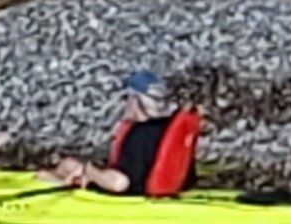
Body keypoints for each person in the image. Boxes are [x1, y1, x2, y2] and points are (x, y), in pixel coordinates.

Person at [46, 70, 202, 197]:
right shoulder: (167, 128)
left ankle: (39, 181)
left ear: (134, 100)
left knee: (69, 164)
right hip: (167, 191)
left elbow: (120, 183)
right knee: (73, 166)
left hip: (129, 198)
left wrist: (89, 171)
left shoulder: (137, 134)